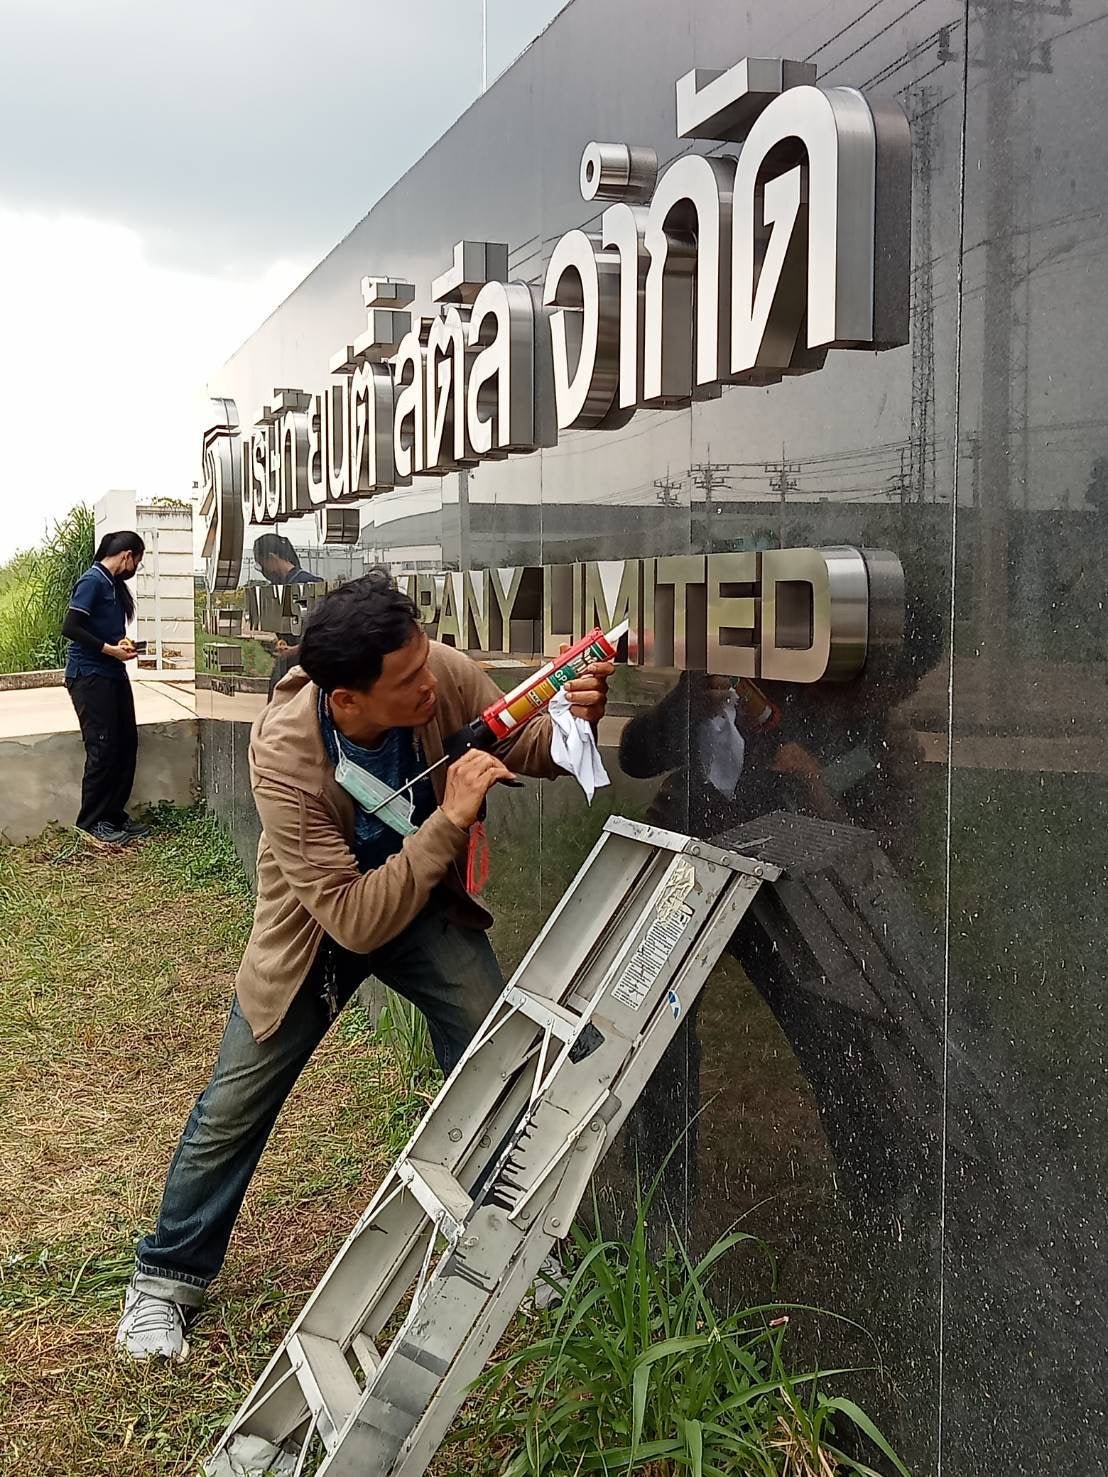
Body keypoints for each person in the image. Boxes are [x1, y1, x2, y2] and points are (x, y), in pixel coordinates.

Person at [116, 574, 612, 1359]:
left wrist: (571, 721)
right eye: (407, 680)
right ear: (346, 699)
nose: (430, 682)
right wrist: (451, 817)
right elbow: (351, 917)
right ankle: (165, 1278)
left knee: (499, 1056)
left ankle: (521, 1245)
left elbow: (517, 741)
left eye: (425, 661)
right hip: (318, 927)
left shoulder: (437, 672)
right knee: (235, 1100)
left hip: (421, 909)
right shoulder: (284, 752)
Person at [62, 530, 150, 845]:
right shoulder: (92, 581)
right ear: (127, 556)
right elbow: (70, 627)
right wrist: (108, 650)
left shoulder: (112, 585)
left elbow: (102, 630)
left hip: (112, 673)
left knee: (125, 743)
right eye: (137, 561)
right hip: (89, 675)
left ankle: (113, 815)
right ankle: (90, 823)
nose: (136, 567)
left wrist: (120, 645)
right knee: (102, 747)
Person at [252, 534, 324, 699]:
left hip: (305, 671)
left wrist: (295, 650)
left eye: (262, 565)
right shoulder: (277, 587)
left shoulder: (308, 584)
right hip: (285, 667)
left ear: (271, 558)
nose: (264, 571)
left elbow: (322, 635)